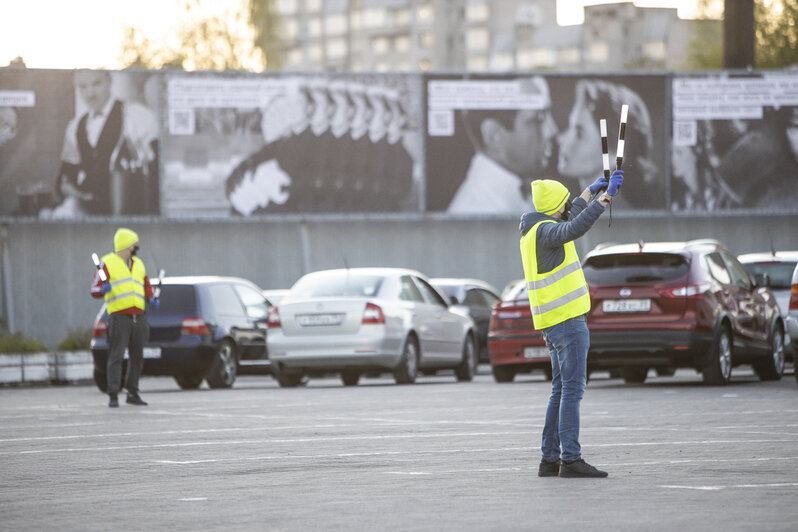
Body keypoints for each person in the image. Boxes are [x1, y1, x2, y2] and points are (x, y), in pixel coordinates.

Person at [519, 169, 624, 478]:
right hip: (566, 322)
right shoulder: (548, 233)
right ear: (555, 209)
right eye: (565, 203)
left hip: (553, 323)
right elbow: (574, 227)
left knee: (560, 389)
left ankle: (550, 459)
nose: (568, 207)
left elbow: (571, 215)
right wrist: (605, 198)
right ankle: (571, 459)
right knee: (572, 390)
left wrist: (588, 193)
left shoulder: (535, 229)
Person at [45, 70, 158, 218]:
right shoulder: (75, 127)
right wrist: (72, 192)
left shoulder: (137, 116)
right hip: (91, 215)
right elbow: (66, 177)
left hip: (129, 211)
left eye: (96, 84)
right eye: (82, 87)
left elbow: (156, 170)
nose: (90, 93)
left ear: (109, 81)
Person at [448, 76, 558, 215]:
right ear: (494, 135)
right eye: (538, 120)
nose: (552, 130)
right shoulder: (479, 212)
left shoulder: (511, 195)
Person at [557, 79, 658, 209]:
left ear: (615, 152)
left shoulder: (615, 217)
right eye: (569, 127)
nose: (561, 139)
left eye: (579, 133)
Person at [91, 228, 158, 407]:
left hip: (139, 316)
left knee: (137, 356)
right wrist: (101, 290)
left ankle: (132, 392)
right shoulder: (107, 263)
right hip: (119, 317)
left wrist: (151, 298)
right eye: (134, 245)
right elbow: (95, 289)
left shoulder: (138, 264)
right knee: (116, 356)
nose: (136, 249)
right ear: (126, 246)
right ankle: (113, 394)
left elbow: (145, 284)